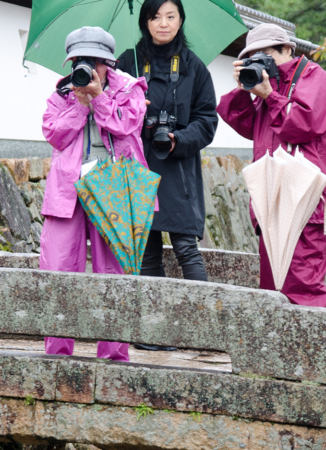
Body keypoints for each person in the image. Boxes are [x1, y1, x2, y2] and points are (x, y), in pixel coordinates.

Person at [40, 26, 149, 362]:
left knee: (115, 274)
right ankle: (57, 357)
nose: (86, 67)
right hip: (67, 189)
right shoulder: (62, 92)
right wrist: (80, 105)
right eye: (79, 61)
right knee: (57, 269)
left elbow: (125, 126)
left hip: (117, 186)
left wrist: (99, 98)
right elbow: (53, 134)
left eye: (94, 61)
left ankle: (115, 359)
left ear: (108, 63)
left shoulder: (130, 88)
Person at [115, 0, 218, 351]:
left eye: (170, 16)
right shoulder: (128, 63)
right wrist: (134, 109)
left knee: (186, 247)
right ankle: (155, 333)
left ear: (180, 20)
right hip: (138, 165)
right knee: (147, 250)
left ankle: (203, 333)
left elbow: (207, 120)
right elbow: (109, 110)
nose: (163, 23)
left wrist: (179, 139)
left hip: (179, 168)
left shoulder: (193, 67)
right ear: (145, 21)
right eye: (155, 16)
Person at [217, 23, 326, 307]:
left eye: (266, 55)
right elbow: (245, 125)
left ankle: (307, 338)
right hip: (272, 199)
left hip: (308, 201)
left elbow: (303, 125)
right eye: (253, 58)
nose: (262, 63)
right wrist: (244, 89)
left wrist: (269, 96)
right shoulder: (268, 87)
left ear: (287, 49)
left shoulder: (315, 78)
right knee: (272, 289)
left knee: (303, 288)